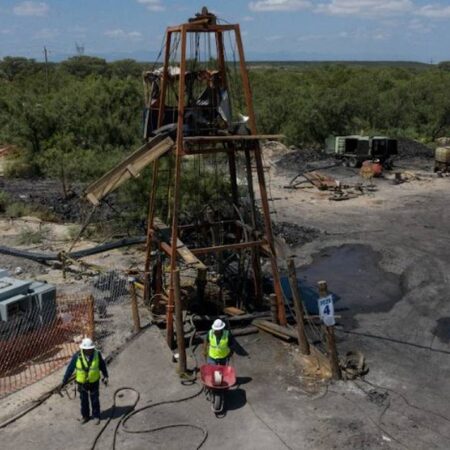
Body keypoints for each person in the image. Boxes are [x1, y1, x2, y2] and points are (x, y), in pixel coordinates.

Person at [62, 337, 109, 425]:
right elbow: (70, 369)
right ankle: (85, 416)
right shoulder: (77, 356)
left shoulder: (97, 354)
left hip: (94, 381)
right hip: (82, 383)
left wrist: (106, 375)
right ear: (83, 349)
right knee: (84, 401)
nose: (89, 351)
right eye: (87, 349)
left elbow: (102, 365)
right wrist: (64, 380)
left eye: (90, 349)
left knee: (95, 399)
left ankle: (96, 416)